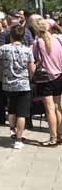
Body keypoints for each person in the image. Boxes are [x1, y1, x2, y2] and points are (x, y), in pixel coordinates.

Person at [29, 18, 62, 146]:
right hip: (59, 76)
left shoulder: (37, 43)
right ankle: (60, 135)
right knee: (58, 107)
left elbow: (35, 59)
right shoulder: (59, 39)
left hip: (45, 78)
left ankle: (52, 137)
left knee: (50, 109)